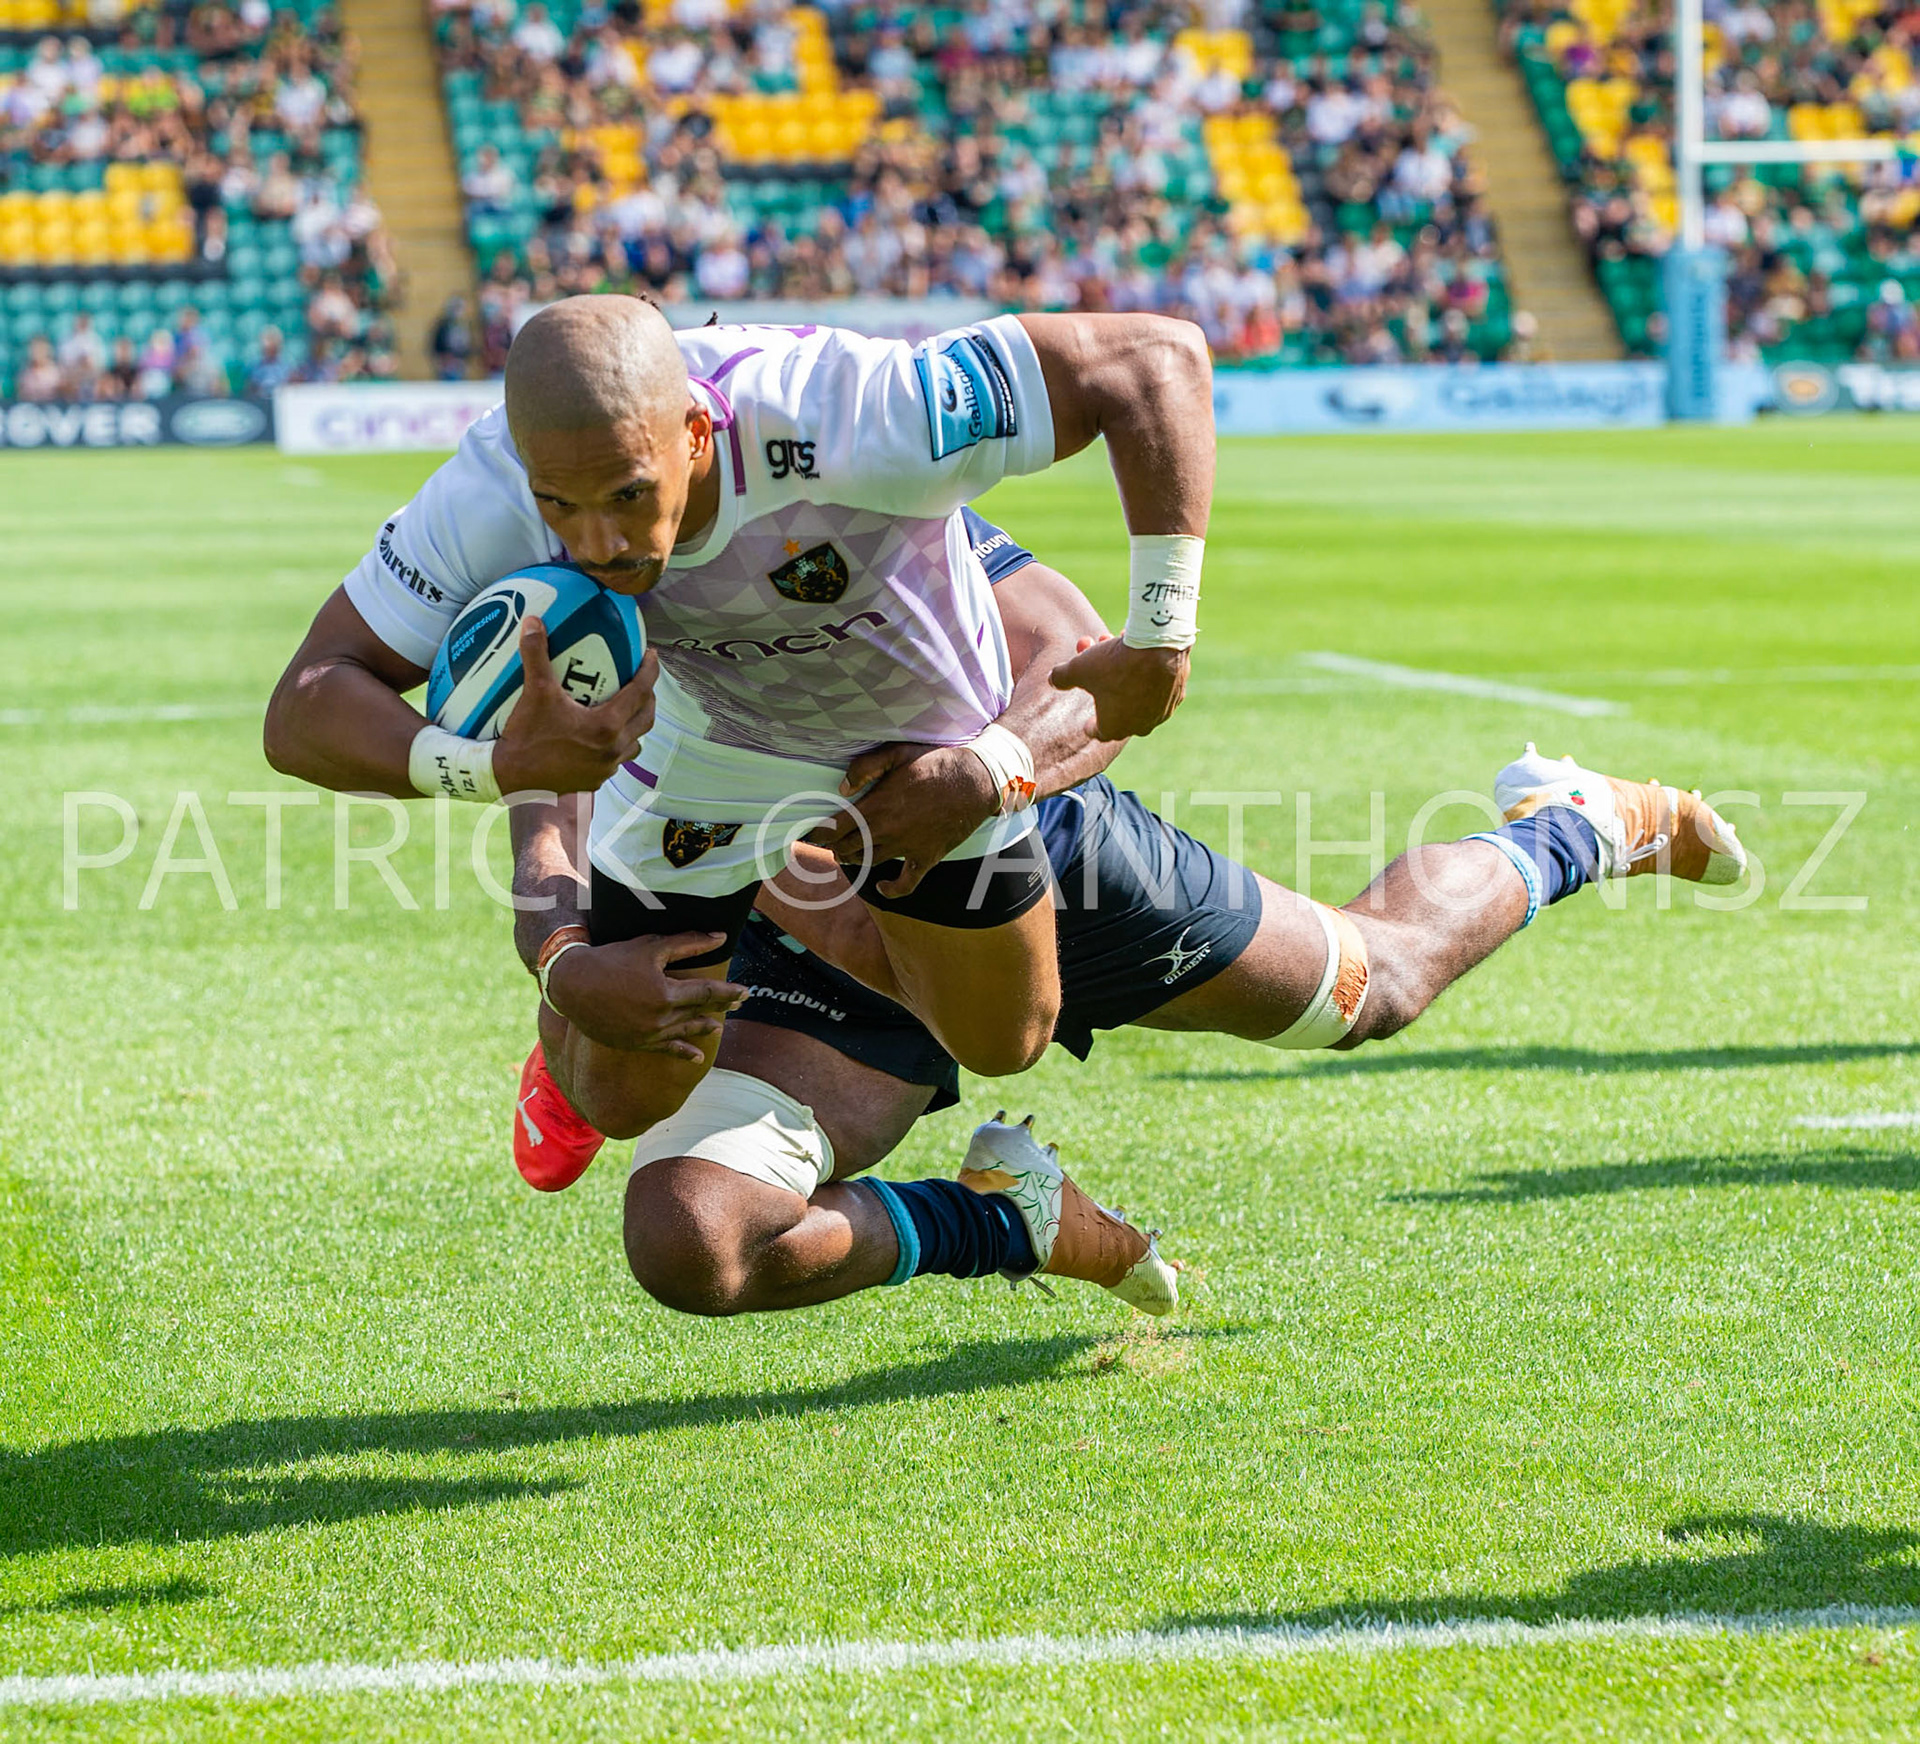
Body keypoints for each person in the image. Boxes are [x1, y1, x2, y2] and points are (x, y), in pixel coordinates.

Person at [509, 546, 1749, 1320]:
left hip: (1016, 861)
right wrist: (567, 950)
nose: (617, 524)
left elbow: (1083, 661)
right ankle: (1004, 1216)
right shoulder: (577, 550)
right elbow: (539, 766)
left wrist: (984, 774)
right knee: (692, 1243)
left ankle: (1574, 826)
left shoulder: (838, 475)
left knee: (1376, 987)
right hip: (792, 945)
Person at [263, 297, 1212, 1171]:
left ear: (695, 431)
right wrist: (490, 769)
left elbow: (1151, 359)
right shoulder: (491, 490)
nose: (596, 543)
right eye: (560, 505)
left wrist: (1162, 636)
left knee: (1004, 1037)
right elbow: (304, 704)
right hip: (710, 742)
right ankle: (604, 1006)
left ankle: (815, 920)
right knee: (622, 1090)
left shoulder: (856, 411)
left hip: (918, 729)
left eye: (629, 494)